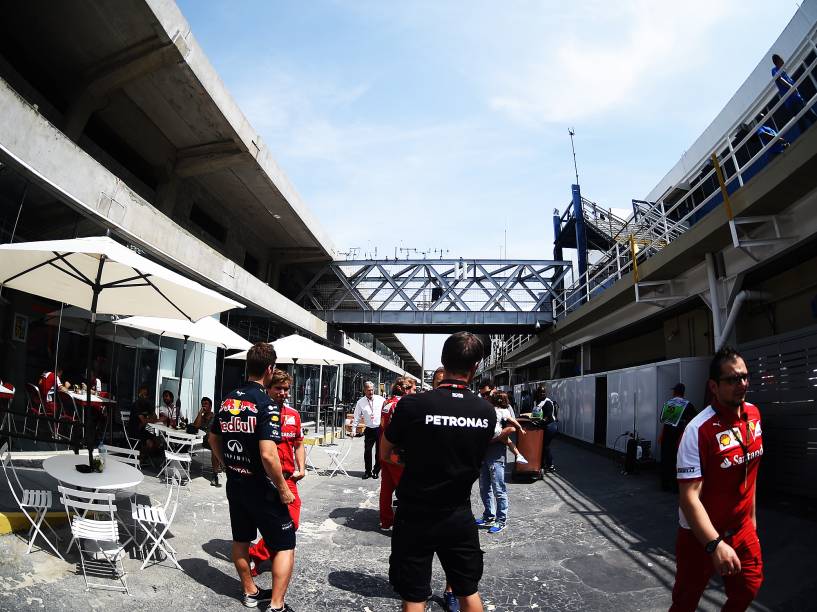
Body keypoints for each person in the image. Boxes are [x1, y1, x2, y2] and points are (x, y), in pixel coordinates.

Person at [381, 332, 499, 612]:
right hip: (458, 514)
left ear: (443, 362)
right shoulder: (486, 411)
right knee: (468, 591)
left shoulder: (412, 405)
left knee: (414, 596)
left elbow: (386, 453)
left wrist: (415, 460)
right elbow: (473, 455)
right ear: (474, 368)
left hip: (415, 514)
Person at [670, 346, 764, 612]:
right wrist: (714, 544)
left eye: (745, 377)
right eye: (732, 379)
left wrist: (752, 520)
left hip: (741, 528)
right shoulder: (697, 430)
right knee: (685, 602)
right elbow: (689, 498)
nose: (742, 384)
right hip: (698, 536)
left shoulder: (754, 415)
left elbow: (751, 471)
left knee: (748, 588)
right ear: (714, 385)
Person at [208, 342, 296, 611]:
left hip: (236, 484)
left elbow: (213, 437)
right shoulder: (266, 404)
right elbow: (269, 455)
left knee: (241, 540)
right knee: (285, 544)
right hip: (262, 487)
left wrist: (225, 462)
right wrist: (283, 488)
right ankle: (277, 606)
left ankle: (249, 592)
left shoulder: (228, 399)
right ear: (270, 369)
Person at [249, 369, 306, 578]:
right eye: (278, 388)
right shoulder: (259, 412)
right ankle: (275, 554)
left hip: (288, 478)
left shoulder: (294, 415)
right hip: (264, 478)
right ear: (268, 388)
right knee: (274, 524)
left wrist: (303, 467)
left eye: (286, 389)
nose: (283, 393)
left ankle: (256, 552)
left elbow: (299, 444)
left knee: (293, 522)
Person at [477, 390, 517, 535]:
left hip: (496, 453)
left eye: (488, 394)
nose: (485, 397)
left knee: (498, 488)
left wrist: (493, 439)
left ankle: (501, 520)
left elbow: (510, 429)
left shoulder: (504, 409)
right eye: (483, 394)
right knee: (484, 486)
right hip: (483, 453)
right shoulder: (484, 407)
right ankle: (489, 515)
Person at [379, 377, 410, 530]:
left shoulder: (386, 403)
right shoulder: (401, 404)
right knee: (404, 488)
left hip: (383, 447)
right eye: (413, 389)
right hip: (396, 451)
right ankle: (404, 522)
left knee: (386, 488)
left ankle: (385, 521)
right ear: (405, 389)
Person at [658, 383, 697, 493]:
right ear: (683, 392)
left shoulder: (669, 403)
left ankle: (665, 485)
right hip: (679, 436)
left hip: (667, 435)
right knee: (678, 460)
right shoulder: (687, 404)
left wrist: (661, 435)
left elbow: (664, 421)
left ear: (675, 392)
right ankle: (676, 487)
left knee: (666, 459)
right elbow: (695, 419)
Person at [772, 53, 817, 134]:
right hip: (792, 101)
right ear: (778, 60)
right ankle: (804, 138)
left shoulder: (783, 72)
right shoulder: (775, 70)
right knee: (802, 119)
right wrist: (791, 87)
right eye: (781, 59)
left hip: (797, 98)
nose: (783, 60)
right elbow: (779, 79)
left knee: (808, 114)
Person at [350, 381, 385, 479]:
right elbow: (356, 417)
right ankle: (368, 471)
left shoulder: (381, 399)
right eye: (369, 390)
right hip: (369, 429)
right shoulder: (360, 402)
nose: (371, 392)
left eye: (372, 389)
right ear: (364, 390)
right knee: (367, 451)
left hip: (379, 429)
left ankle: (376, 471)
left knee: (379, 452)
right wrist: (353, 430)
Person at [189, 396, 222, 487]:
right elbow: (196, 426)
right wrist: (200, 413)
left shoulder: (215, 417)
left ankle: (215, 475)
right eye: (203, 404)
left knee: (215, 451)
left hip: (213, 441)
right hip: (202, 441)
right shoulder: (201, 417)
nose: (204, 406)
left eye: (206, 404)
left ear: (210, 406)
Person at [129, 385, 161, 463]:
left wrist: (149, 420)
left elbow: (155, 417)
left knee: (159, 442)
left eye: (145, 395)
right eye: (142, 394)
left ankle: (144, 455)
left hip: (145, 428)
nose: (144, 396)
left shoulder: (148, 405)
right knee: (150, 444)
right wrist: (151, 420)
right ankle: (141, 456)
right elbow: (143, 421)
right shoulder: (136, 405)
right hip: (135, 429)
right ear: (138, 394)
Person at [533, 386, 558, 473]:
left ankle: (550, 465)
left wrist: (539, 422)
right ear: (537, 393)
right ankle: (543, 463)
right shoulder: (538, 401)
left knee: (545, 446)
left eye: (544, 392)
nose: (542, 394)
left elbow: (547, 416)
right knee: (543, 445)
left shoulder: (547, 402)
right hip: (544, 426)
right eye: (541, 392)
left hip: (550, 426)